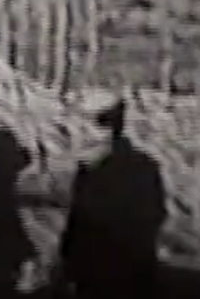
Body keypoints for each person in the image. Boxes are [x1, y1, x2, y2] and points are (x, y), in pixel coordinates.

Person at [60, 97, 166, 299]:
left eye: (95, 125)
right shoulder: (142, 167)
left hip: (111, 274)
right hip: (112, 275)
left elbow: (81, 223)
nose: (81, 133)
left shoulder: (133, 170)